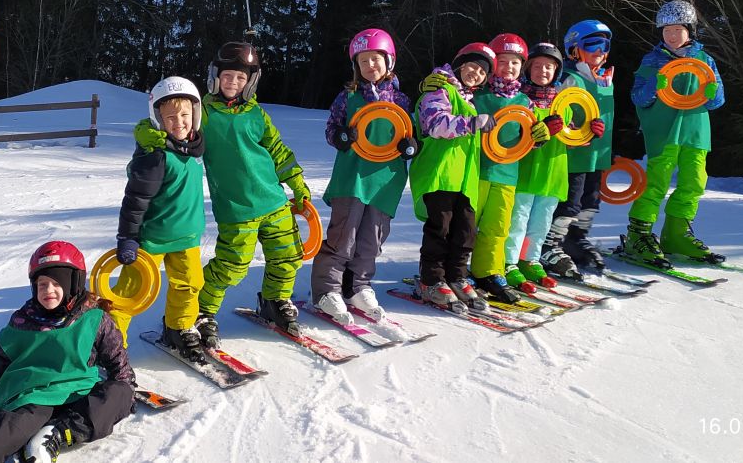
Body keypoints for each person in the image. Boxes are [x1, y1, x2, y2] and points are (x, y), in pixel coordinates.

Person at [137, 41, 310, 344]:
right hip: (236, 209)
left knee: (288, 256)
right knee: (232, 267)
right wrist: (147, 132)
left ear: (251, 81)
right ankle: (201, 310)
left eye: (241, 78)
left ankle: (275, 300)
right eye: (228, 76)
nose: (233, 82)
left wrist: (296, 182)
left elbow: (278, 150)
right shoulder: (202, 113)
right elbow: (171, 119)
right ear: (215, 76)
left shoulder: (257, 114)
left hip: (275, 201)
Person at [0, 241, 135, 463]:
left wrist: (124, 393)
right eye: (42, 284)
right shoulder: (22, 322)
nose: (48, 290)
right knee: (7, 429)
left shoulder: (94, 319)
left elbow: (117, 362)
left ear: (74, 283)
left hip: (80, 393)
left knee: (119, 393)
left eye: (56, 283)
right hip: (34, 396)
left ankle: (58, 433)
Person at [312, 29, 415, 323]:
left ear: (389, 61)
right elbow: (332, 129)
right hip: (353, 177)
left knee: (372, 238)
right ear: (356, 66)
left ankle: (357, 286)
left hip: (386, 180)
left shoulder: (401, 100)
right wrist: (341, 136)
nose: (370, 65)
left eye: (376, 59)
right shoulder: (348, 96)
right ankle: (327, 290)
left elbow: (410, 133)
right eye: (364, 60)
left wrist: (411, 145)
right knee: (344, 235)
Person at [624, 0, 726, 266]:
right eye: (666, 30)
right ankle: (639, 234)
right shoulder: (652, 59)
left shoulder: (704, 60)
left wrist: (713, 92)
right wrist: (654, 86)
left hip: (695, 131)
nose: (671, 35)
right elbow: (638, 98)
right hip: (664, 132)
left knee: (694, 182)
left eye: (677, 30)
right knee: (656, 182)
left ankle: (677, 233)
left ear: (689, 30)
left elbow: (717, 102)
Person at [116, 77, 207, 362]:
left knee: (190, 284)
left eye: (185, 115)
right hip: (152, 239)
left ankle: (179, 328)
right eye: (170, 117)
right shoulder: (155, 155)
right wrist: (127, 237)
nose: (179, 122)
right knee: (131, 293)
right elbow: (135, 199)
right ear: (158, 119)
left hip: (187, 237)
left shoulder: (194, 148)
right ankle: (110, 343)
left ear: (195, 114)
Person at [409, 43, 497, 313]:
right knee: (440, 229)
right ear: (459, 64)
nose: (476, 73)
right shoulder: (439, 89)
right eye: (472, 66)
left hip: (464, 179)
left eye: (482, 72)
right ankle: (431, 280)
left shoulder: (468, 99)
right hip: (440, 174)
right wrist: (472, 123)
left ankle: (457, 276)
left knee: (465, 231)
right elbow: (435, 124)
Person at [469, 33, 551, 302]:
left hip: (507, 173)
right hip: (477, 170)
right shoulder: (477, 94)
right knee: (466, 225)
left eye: (515, 63)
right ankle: (454, 270)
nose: (509, 67)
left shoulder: (525, 102)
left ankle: (488, 272)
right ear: (493, 64)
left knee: (497, 226)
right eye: (503, 61)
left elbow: (527, 138)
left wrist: (539, 136)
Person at [546, 20, 612, 273]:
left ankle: (575, 238)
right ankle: (550, 243)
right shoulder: (568, 77)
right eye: (592, 44)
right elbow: (554, 109)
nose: (600, 51)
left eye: (605, 45)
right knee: (570, 201)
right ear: (574, 49)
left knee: (591, 200)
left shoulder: (605, 79)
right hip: (573, 152)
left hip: (597, 153)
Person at [505, 43, 573, 287]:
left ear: (556, 71)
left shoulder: (563, 102)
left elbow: (572, 135)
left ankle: (530, 259)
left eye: (548, 67)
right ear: (527, 69)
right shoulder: (520, 99)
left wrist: (590, 131)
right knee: (518, 219)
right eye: (537, 66)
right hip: (526, 169)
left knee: (541, 221)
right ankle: (509, 261)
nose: (543, 71)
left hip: (552, 172)